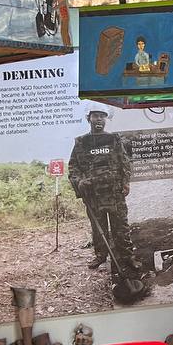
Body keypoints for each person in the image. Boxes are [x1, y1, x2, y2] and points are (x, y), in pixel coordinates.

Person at [68, 110, 135, 273]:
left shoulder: (114, 139)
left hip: (114, 192)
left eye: (102, 116)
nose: (99, 119)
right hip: (93, 195)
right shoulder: (80, 142)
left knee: (121, 226)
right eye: (95, 116)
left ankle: (127, 256)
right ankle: (101, 255)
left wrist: (125, 182)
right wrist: (80, 182)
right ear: (88, 118)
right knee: (99, 228)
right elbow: (73, 168)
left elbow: (124, 162)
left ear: (105, 120)